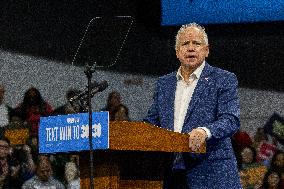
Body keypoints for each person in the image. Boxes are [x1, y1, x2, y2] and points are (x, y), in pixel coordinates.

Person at [144, 23, 241, 189]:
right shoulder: (164, 84)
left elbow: (230, 119)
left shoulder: (224, 79)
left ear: (206, 50)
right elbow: (151, 123)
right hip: (172, 175)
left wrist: (205, 131)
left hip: (212, 175)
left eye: (196, 43)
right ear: (177, 52)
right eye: (185, 44)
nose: (190, 48)